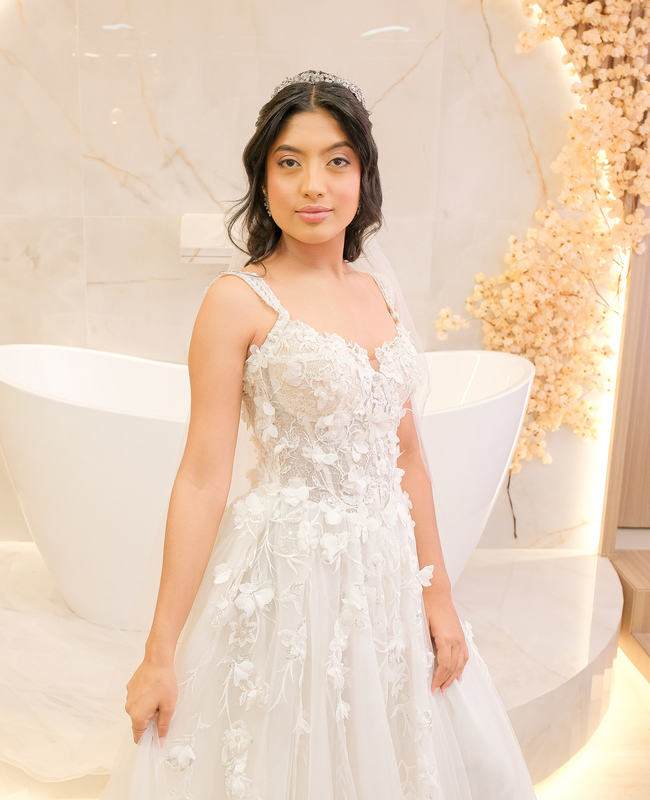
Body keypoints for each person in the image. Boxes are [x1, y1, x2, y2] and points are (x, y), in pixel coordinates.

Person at [102, 70, 537, 800]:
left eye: (337, 161)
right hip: (288, 580)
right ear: (263, 179)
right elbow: (202, 479)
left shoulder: (377, 292)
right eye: (289, 162)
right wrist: (160, 650)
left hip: (387, 577)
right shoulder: (237, 302)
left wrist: (439, 598)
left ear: (363, 177)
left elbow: (408, 458)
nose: (314, 185)